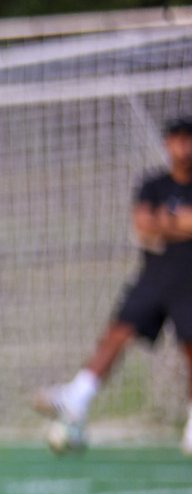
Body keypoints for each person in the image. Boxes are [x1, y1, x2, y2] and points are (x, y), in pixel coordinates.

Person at [34, 116, 192, 455]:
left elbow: (158, 224)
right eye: (177, 139)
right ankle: (77, 398)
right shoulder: (153, 184)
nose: (183, 146)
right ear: (168, 144)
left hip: (189, 278)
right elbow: (144, 226)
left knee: (190, 350)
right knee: (117, 333)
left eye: (188, 139)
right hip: (154, 276)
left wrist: (166, 222)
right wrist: (180, 222)